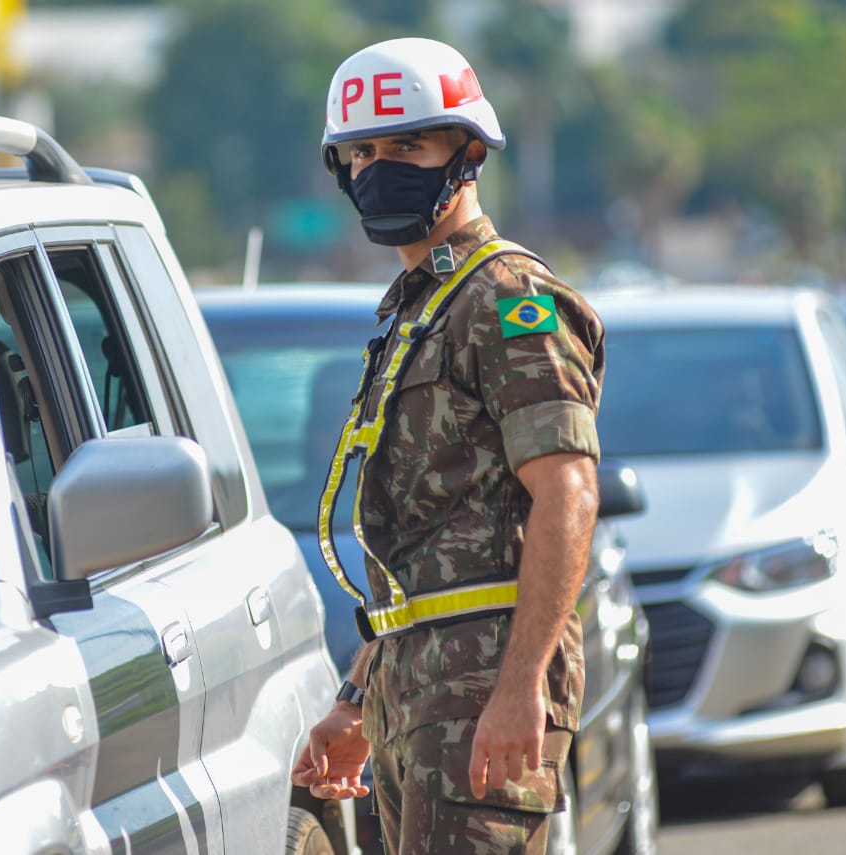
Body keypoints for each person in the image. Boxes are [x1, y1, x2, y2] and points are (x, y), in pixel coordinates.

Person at [290, 38, 604, 855]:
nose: (379, 167)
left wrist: (520, 686)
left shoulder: (509, 300)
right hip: (416, 685)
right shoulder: (416, 309)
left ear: (465, 155)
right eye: (361, 151)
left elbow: (567, 494)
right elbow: (424, 542)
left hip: (485, 683)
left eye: (407, 145)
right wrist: (358, 699)